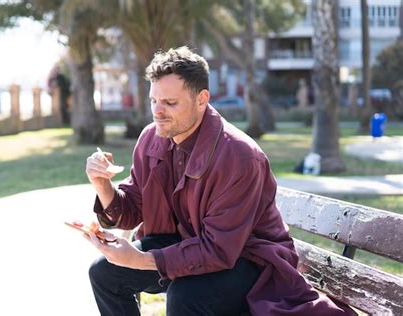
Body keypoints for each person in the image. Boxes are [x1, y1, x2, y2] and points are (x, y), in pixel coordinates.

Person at [84, 47, 356, 316]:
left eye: (170, 103)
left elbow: (219, 250)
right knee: (105, 273)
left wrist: (141, 259)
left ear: (201, 99)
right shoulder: (151, 138)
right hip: (190, 244)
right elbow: (132, 209)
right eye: (154, 100)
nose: (158, 111)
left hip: (250, 260)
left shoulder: (239, 155)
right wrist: (102, 184)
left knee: (186, 296)